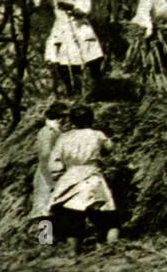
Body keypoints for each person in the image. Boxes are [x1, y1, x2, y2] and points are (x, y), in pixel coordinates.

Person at [48, 104, 119, 256]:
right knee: (107, 216)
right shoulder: (97, 135)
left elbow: (54, 161)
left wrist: (59, 173)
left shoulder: (64, 137)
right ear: (91, 119)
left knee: (73, 217)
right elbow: (110, 149)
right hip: (91, 176)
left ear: (72, 120)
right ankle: (111, 248)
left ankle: (72, 252)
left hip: (71, 177)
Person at [35, 0, 105, 96]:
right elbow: (38, 2)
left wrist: (71, 7)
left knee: (93, 58)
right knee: (63, 60)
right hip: (62, 29)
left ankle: (98, 86)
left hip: (80, 27)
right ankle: (71, 90)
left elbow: (84, 11)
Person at [29, 101, 70, 225]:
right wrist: (55, 172)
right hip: (48, 173)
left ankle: (52, 240)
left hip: (53, 172)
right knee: (44, 210)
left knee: (52, 208)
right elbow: (46, 155)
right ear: (60, 117)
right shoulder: (47, 132)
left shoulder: (56, 131)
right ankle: (44, 240)